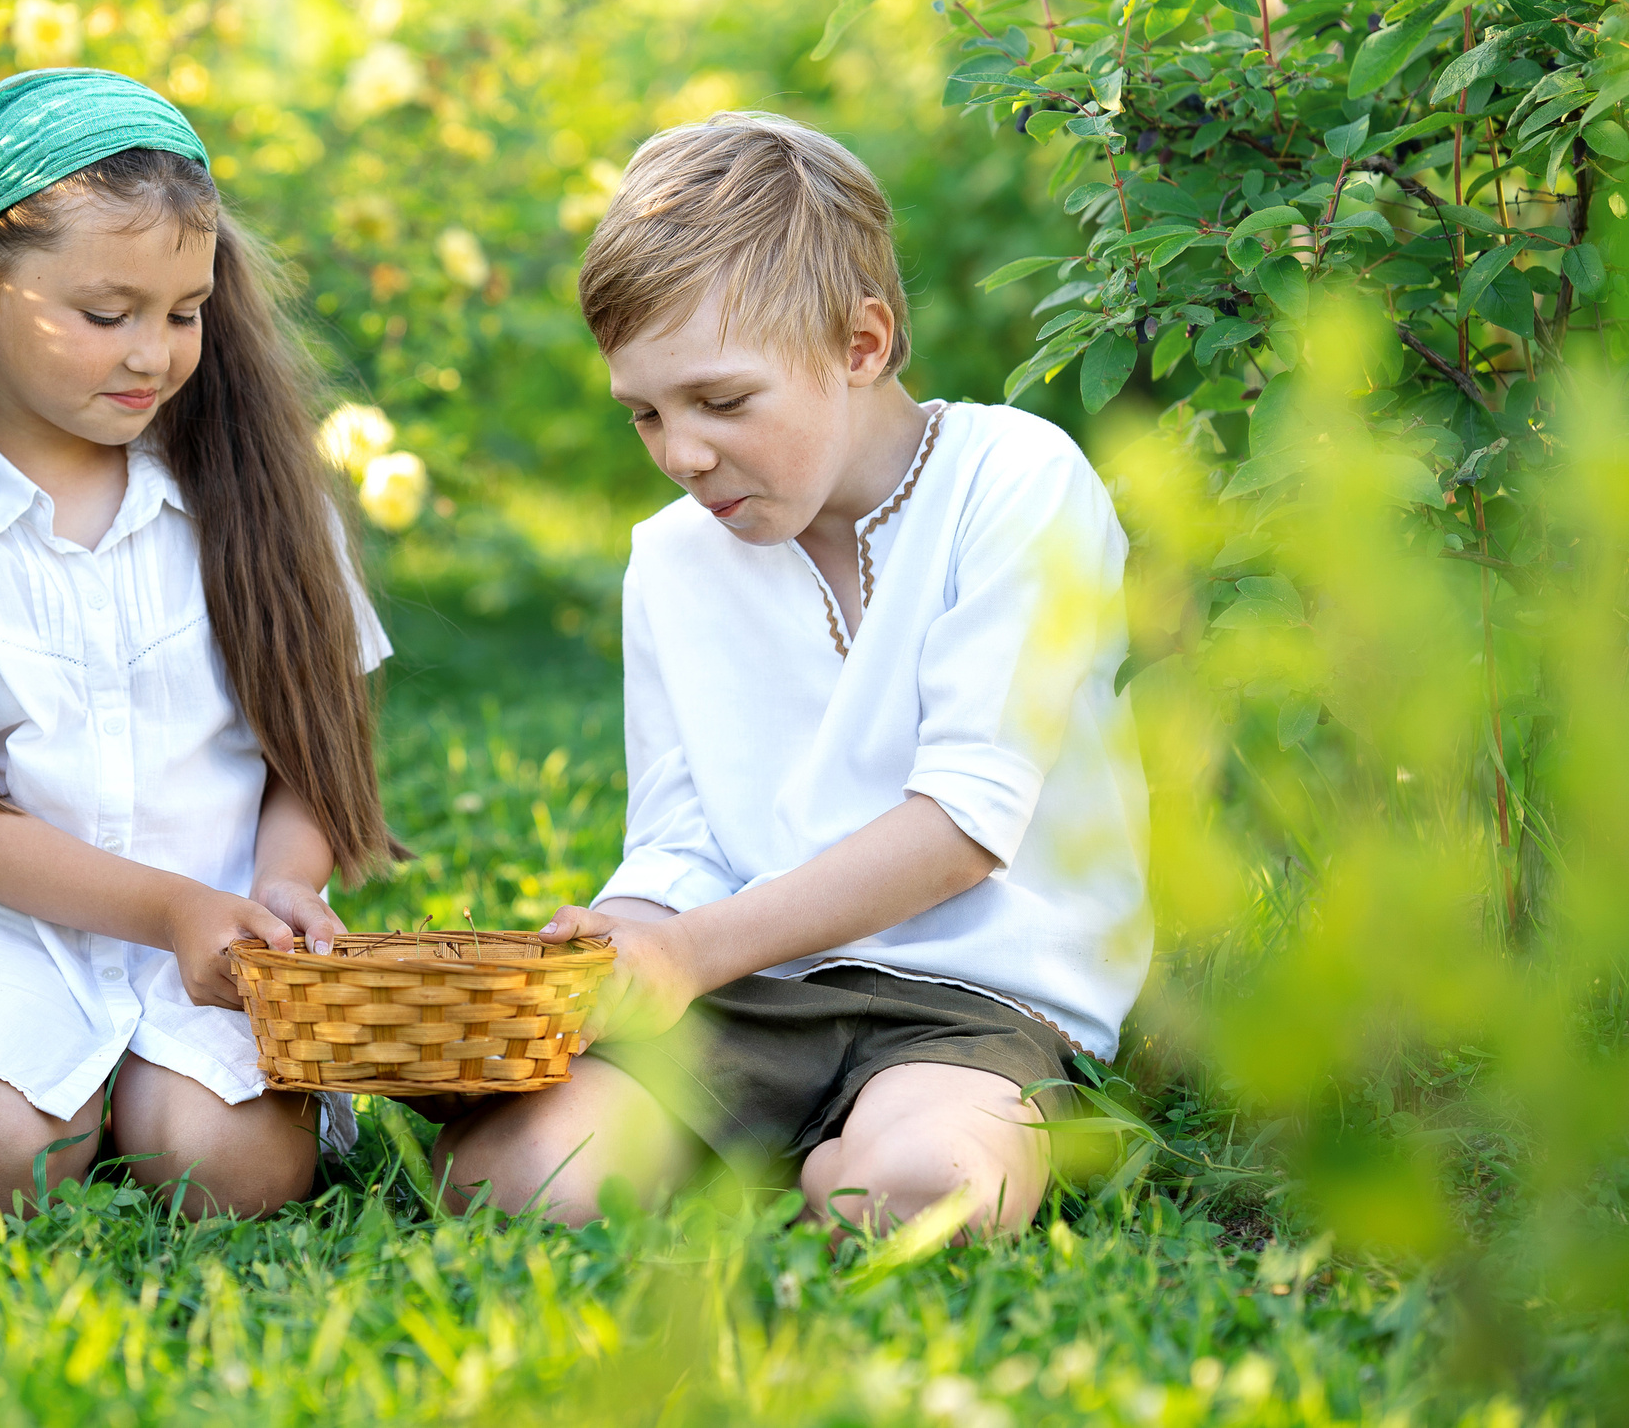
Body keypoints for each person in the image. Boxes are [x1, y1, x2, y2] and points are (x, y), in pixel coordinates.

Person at [435, 112, 1150, 1237]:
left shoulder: (1013, 479)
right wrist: (616, 948)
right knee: (517, 1176)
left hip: (973, 1002)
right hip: (753, 997)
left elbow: (966, 823)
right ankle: (786, 1142)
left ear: (860, 345)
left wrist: (688, 950)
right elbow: (680, 839)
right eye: (645, 414)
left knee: (922, 1191)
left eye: (721, 402)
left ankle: (841, 1152)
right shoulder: (672, 558)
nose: (682, 454)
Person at [0, 68, 399, 1217]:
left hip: (215, 925)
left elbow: (312, 750)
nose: (154, 354)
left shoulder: (249, 489)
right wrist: (167, 911)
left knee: (230, 1170)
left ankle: (141, 1096)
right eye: (109, 315)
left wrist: (281, 882)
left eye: (184, 313)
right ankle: (39, 1093)